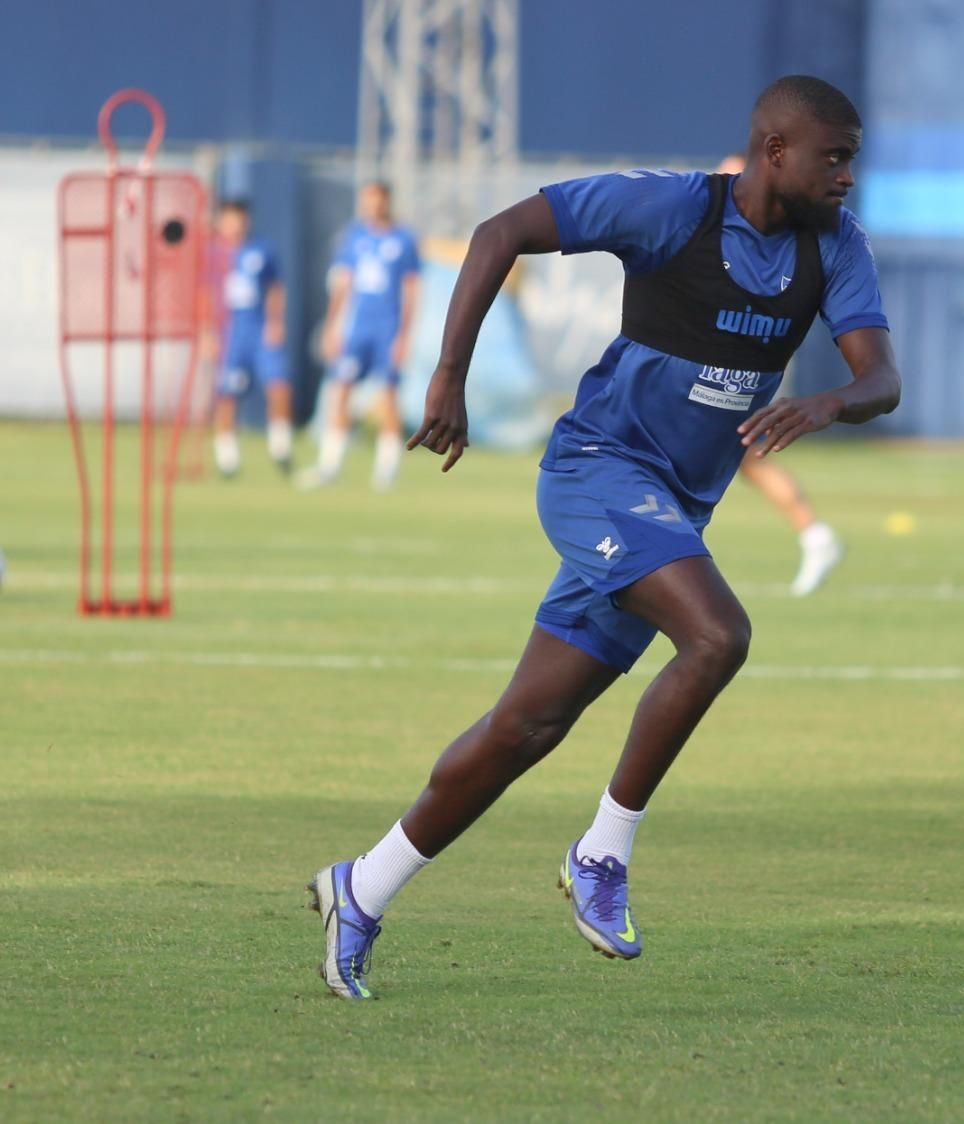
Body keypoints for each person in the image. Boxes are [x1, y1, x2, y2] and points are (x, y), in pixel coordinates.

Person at [307, 75, 900, 999]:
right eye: (835, 157)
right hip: (598, 474)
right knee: (718, 636)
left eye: (853, 160)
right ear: (775, 151)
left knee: (526, 726)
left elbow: (882, 379)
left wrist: (826, 401)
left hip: (670, 510)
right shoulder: (671, 208)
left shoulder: (836, 248)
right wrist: (447, 379)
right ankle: (602, 851)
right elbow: (499, 232)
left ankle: (362, 887)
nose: (848, 176)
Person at [715, 154, 846, 597]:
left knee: (741, 451)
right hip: (734, 349)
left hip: (735, 356)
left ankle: (816, 534)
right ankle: (815, 535)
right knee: (744, 458)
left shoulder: (748, 192)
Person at [302, 181, 421, 491]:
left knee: (388, 397)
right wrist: (331, 326)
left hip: (387, 329)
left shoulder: (403, 239)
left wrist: (404, 334)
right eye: (368, 200)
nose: (373, 206)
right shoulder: (354, 237)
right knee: (340, 390)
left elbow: (410, 289)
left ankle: (386, 471)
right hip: (358, 329)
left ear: (387, 201)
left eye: (378, 200)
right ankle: (329, 466)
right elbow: (342, 284)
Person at [206, 199, 292, 477]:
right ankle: (227, 458)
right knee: (227, 394)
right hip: (229, 331)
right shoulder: (212, 254)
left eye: (240, 218)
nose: (236, 225)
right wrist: (206, 332)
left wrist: (275, 322)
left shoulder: (261, 250)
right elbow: (203, 294)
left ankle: (281, 447)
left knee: (278, 386)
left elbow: (275, 288)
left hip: (258, 328)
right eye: (230, 218)